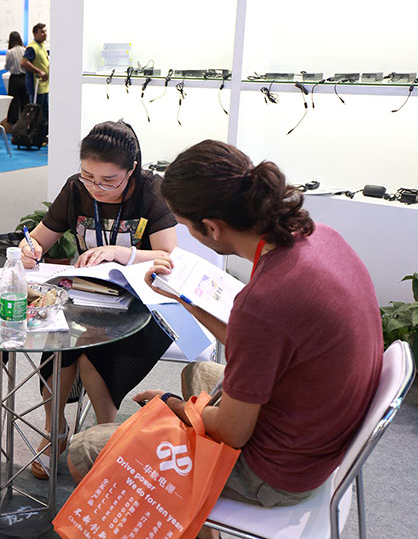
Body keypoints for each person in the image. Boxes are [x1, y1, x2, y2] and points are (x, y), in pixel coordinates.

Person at [67, 140, 383, 537]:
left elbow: (231, 432)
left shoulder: (266, 301)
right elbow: (263, 345)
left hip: (276, 471)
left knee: (86, 450)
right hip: (321, 429)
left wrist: (174, 408)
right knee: (200, 372)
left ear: (212, 227)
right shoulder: (321, 237)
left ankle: (194, 513)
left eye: (187, 227)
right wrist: (186, 301)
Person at [17, 120, 177, 479]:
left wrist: (122, 254)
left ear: (131, 169)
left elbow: (167, 257)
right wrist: (31, 249)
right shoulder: (76, 189)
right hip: (87, 297)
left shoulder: (151, 190)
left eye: (109, 181)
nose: (96, 187)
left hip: (142, 303)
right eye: (88, 176)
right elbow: (39, 238)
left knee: (92, 356)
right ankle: (55, 430)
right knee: (61, 344)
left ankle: (106, 436)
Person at [21, 22, 50, 128]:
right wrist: (39, 71)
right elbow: (24, 63)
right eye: (42, 32)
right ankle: (34, 133)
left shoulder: (42, 46)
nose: (45, 34)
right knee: (36, 113)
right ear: (35, 34)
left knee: (44, 112)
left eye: (45, 31)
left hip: (45, 85)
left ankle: (43, 134)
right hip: (36, 85)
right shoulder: (32, 47)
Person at [4, 31, 28, 124]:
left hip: (14, 79)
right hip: (25, 78)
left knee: (14, 103)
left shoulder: (10, 52)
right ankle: (24, 124)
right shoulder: (25, 50)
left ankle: (13, 124)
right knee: (25, 102)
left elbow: (7, 67)